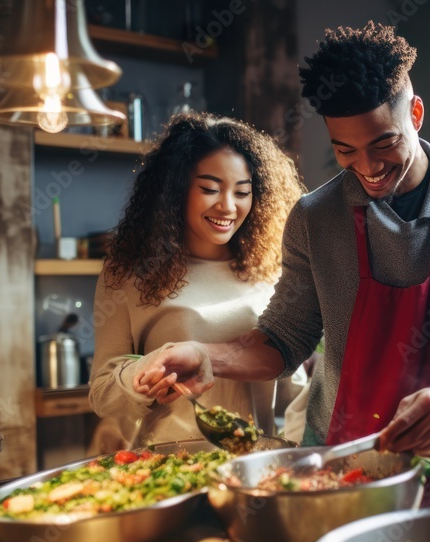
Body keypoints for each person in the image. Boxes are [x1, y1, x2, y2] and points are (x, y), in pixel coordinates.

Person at [134, 22, 430, 458]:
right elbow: (282, 340)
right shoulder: (315, 217)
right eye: (345, 150)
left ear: (416, 115)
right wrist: (204, 354)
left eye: (384, 142)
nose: (368, 167)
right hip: (338, 454)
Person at [87, 112, 305, 452]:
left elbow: (292, 386)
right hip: (162, 465)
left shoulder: (273, 270)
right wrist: (139, 379)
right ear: (175, 190)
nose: (228, 206)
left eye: (242, 192)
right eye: (209, 189)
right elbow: (102, 392)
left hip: (250, 465)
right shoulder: (129, 272)